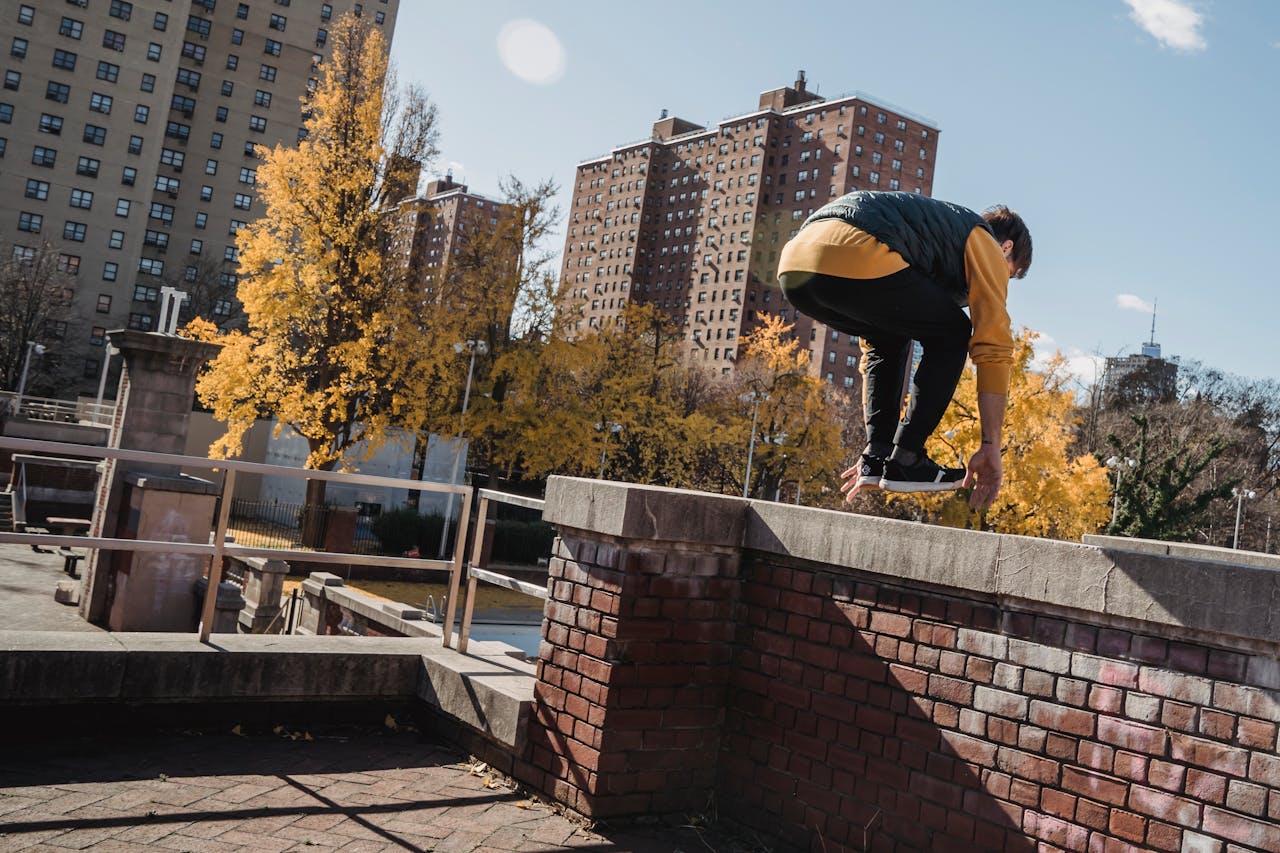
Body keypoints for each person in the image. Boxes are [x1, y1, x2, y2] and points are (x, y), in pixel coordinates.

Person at [776, 190, 1031, 510]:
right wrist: (990, 444)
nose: (1001, 284)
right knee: (954, 334)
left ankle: (879, 455)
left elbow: (875, 350)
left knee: (887, 337)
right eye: (1010, 275)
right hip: (857, 247)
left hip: (796, 264)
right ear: (1006, 249)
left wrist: (876, 453)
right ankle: (908, 459)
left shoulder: (935, 241)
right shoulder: (984, 241)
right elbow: (993, 348)